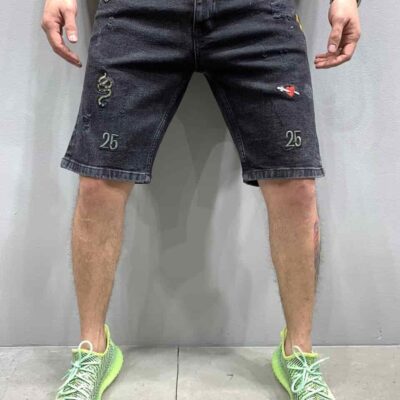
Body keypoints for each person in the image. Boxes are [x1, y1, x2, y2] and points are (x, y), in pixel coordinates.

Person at [41, 0, 361, 398]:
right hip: (137, 11)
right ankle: (93, 350)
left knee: (295, 182)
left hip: (257, 12)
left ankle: (299, 352)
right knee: (99, 179)